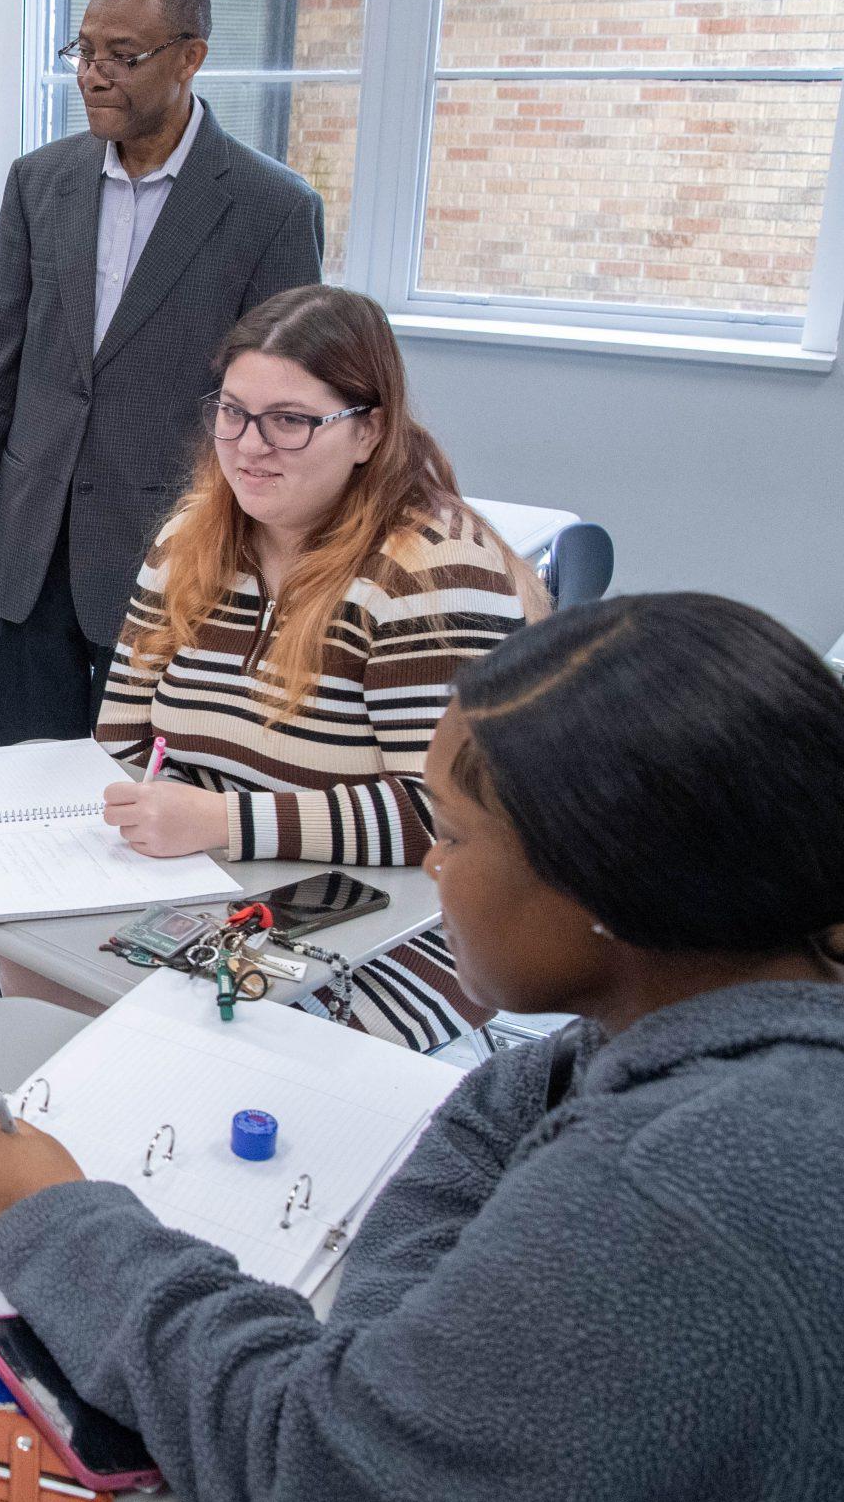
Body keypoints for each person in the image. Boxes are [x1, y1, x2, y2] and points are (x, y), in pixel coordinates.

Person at [0, 592, 844, 1502]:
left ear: (605, 886)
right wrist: (402, 1352)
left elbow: (324, 1482)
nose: (431, 870)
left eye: (447, 835)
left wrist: (62, 1223)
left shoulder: (683, 1179)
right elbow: (520, 1096)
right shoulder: (826, 973)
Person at [0, 0, 326, 1006]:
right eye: (83, 51)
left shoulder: (270, 207)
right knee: (21, 769)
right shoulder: (39, 182)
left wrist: (265, 550)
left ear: (190, 60)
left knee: (147, 776)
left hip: (174, 546)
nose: (93, 74)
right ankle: (14, 946)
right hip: (34, 532)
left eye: (121, 56)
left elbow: (276, 402)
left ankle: (128, 959)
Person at [30, 283, 541, 1052]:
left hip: (396, 922)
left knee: (187, 1032)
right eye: (232, 411)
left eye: (291, 421)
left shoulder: (426, 571)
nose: (248, 445)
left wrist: (223, 823)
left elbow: (446, 817)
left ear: (368, 431)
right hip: (223, 881)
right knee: (35, 961)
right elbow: (125, 745)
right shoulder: (189, 540)